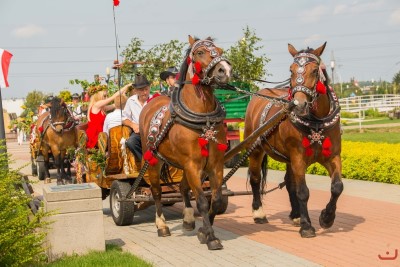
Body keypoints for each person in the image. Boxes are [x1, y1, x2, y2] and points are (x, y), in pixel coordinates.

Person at [85, 84, 130, 149]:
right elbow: (113, 97)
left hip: (102, 135)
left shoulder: (102, 108)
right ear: (98, 96)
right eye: (104, 96)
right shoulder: (96, 105)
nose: (106, 98)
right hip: (96, 137)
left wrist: (124, 94)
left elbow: (117, 104)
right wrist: (126, 86)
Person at [122, 73, 152, 159]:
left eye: (146, 89)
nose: (145, 92)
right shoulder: (130, 101)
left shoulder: (154, 99)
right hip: (138, 132)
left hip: (152, 131)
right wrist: (133, 125)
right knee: (131, 142)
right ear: (136, 91)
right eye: (142, 90)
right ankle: (145, 162)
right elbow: (124, 118)